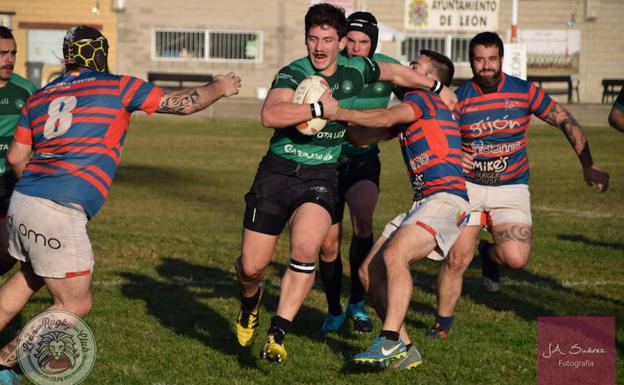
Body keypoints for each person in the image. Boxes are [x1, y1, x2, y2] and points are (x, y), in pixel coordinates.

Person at [0, 25, 240, 383]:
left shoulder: (39, 95)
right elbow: (181, 104)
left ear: (66, 57)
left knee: (29, 275)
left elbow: (18, 157)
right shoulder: (117, 86)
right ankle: (6, 361)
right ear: (101, 53)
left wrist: (37, 192)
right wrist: (220, 87)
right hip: (58, 209)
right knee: (76, 304)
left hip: (23, 200)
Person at [234, 3, 457, 364]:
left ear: (340, 42)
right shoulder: (293, 73)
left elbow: (397, 73)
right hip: (277, 170)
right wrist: (320, 110)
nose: (320, 47)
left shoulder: (357, 70)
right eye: (313, 39)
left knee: (307, 248)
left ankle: (278, 332)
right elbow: (271, 114)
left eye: (328, 39)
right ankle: (249, 305)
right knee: (251, 267)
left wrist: (435, 85)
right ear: (305, 40)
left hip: (322, 174)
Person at [428, 31, 609, 340]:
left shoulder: (524, 91)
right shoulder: (458, 97)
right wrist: (456, 154)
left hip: (511, 187)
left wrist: (587, 164)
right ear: (471, 61)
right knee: (457, 258)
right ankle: (442, 323)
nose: (486, 66)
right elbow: (438, 138)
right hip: (468, 188)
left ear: (501, 60)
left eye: (492, 59)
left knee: (515, 258)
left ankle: (488, 255)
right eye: (479, 60)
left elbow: (564, 119)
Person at [324, 49, 467, 368]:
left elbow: (386, 117)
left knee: (394, 256)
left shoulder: (423, 99)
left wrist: (339, 110)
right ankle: (405, 347)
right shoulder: (415, 109)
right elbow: (363, 137)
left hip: (446, 198)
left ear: (431, 80)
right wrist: (323, 117)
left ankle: (388, 340)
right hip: (425, 202)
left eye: (414, 66)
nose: (406, 70)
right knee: (369, 271)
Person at [318, 11, 402, 335]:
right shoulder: (327, 68)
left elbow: (419, 102)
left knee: (364, 220)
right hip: (326, 160)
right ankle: (334, 310)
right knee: (328, 244)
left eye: (363, 42)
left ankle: (357, 303)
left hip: (364, 159)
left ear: (373, 44)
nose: (355, 48)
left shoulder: (386, 70)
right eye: (350, 41)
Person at [0, 26, 36, 277]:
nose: (9, 59)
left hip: (9, 181)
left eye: (13, 52)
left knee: (8, 252)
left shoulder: (27, 91)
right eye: (2, 53)